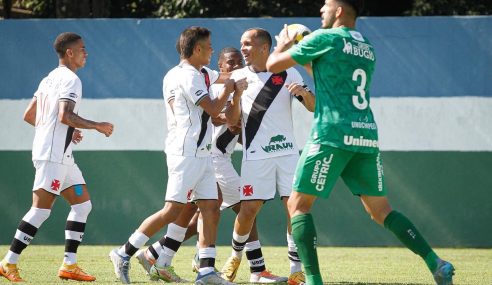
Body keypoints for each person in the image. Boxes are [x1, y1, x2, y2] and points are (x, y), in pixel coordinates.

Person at [266, 1, 455, 285]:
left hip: (331, 134)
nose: (321, 9)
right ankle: (436, 263)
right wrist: (303, 53)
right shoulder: (366, 46)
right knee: (381, 210)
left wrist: (282, 44)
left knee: (298, 206)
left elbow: (272, 65)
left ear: (339, 10)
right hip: (365, 135)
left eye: (326, 4)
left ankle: (314, 281)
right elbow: (324, 72)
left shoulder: (325, 37)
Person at [109, 26, 247, 285]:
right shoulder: (188, 77)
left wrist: (252, 73)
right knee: (172, 210)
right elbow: (215, 106)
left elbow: (225, 78)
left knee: (210, 208)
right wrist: (230, 91)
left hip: (202, 153)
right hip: (186, 153)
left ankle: (206, 271)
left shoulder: (201, 72)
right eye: (208, 46)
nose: (212, 50)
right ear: (197, 49)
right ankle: (123, 252)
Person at [0, 32, 114, 283]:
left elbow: (30, 115)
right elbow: (65, 115)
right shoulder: (71, 79)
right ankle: (8, 262)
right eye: (82, 49)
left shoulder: (48, 79)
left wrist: (65, 132)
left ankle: (69, 265)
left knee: (83, 205)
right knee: (40, 211)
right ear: (70, 53)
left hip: (60, 154)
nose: (86, 53)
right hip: (52, 156)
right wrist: (97, 125)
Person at [223, 28, 315, 285]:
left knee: (293, 208)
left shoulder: (289, 72)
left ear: (265, 48)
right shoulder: (237, 77)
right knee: (249, 209)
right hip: (255, 155)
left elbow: (313, 107)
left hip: (287, 154)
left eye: (248, 44)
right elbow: (231, 122)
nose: (243, 49)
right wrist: (237, 94)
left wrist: (304, 94)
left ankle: (296, 269)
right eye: (241, 44)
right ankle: (234, 257)